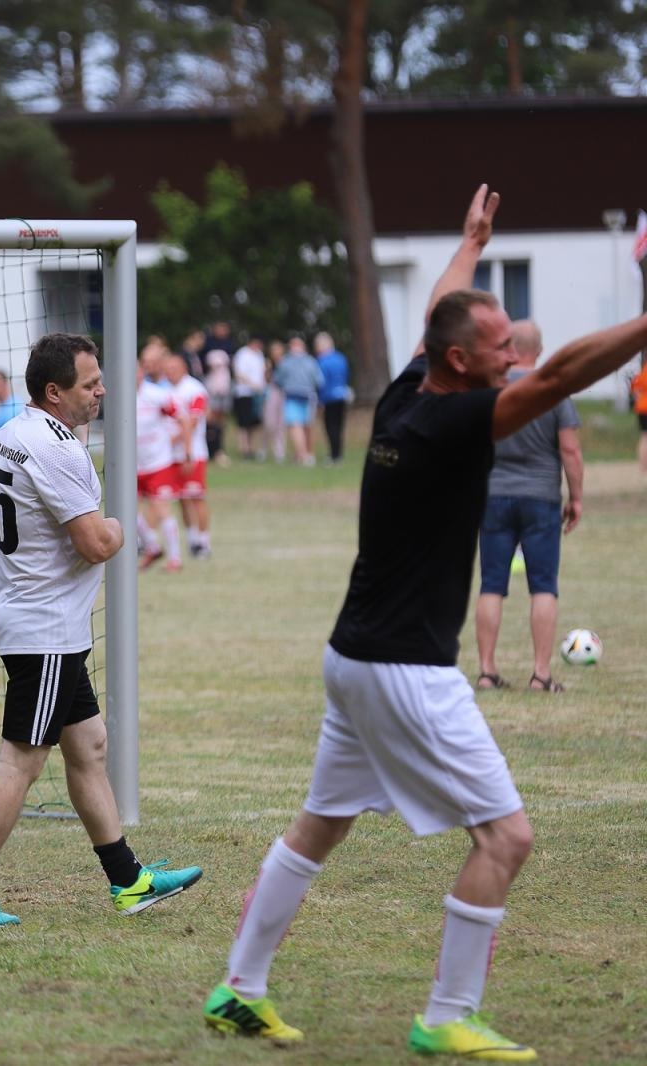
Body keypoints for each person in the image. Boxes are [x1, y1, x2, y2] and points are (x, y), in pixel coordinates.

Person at [203, 184, 647, 1060]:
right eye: (496, 347)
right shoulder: (451, 420)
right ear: (459, 361)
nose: (512, 356)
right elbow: (561, 375)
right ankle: (448, 1013)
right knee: (507, 836)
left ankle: (239, 989)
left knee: (318, 825)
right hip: (406, 669)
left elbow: (447, 320)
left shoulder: (409, 389)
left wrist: (471, 242)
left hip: (354, 658)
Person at [0, 333, 202, 926]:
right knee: (20, 760)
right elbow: (96, 543)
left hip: (44, 627)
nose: (102, 391)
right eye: (90, 383)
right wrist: (128, 528)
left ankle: (128, 881)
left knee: (90, 745)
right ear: (55, 392)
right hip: (45, 629)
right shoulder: (57, 449)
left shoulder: (5, 436)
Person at [474, 320, 583, 694]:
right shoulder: (553, 390)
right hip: (541, 498)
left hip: (492, 496)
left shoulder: (491, 390)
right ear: (539, 349)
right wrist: (577, 497)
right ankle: (540, 674)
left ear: (508, 348)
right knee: (543, 586)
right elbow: (570, 449)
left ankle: (487, 671)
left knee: (491, 584)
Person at [135, 343, 188, 572]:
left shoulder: (157, 395)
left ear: (141, 372)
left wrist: (186, 450)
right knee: (128, 511)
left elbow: (183, 419)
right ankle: (153, 547)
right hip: (133, 465)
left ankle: (175, 558)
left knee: (161, 508)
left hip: (158, 463)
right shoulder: (119, 398)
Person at [162, 352, 213, 558]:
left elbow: (193, 420)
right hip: (170, 455)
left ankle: (204, 542)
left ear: (184, 368)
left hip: (194, 453)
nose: (170, 372)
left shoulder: (195, 389)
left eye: (174, 368)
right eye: (168, 368)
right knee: (181, 498)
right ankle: (192, 539)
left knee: (196, 497)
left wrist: (174, 440)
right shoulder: (163, 390)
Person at [274, 337, 325, 467]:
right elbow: (319, 381)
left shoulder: (285, 362)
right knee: (307, 426)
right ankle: (308, 454)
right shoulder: (311, 361)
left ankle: (302, 455)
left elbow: (277, 380)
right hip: (309, 396)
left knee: (295, 425)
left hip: (292, 396)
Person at [314, 332, 351, 463]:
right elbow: (346, 376)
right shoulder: (341, 358)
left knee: (330, 426)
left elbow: (320, 382)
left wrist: (319, 400)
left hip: (329, 398)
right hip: (342, 395)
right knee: (339, 426)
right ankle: (338, 454)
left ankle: (334, 455)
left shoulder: (322, 361)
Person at [232, 336, 267, 459]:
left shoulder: (259, 355)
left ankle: (252, 447)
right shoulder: (243, 354)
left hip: (257, 394)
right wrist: (252, 384)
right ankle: (244, 448)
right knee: (244, 422)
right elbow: (239, 373)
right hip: (244, 393)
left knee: (254, 423)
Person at [262, 339, 287, 463]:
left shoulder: (286, 363)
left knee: (280, 424)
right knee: (269, 423)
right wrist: (267, 369)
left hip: (284, 393)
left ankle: (279, 452)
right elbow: (265, 380)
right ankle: (264, 448)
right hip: (271, 393)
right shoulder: (268, 364)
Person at [631, 358, 647, 473]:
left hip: (641, 408)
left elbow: (635, 390)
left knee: (644, 436)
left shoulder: (642, 373)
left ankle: (643, 466)